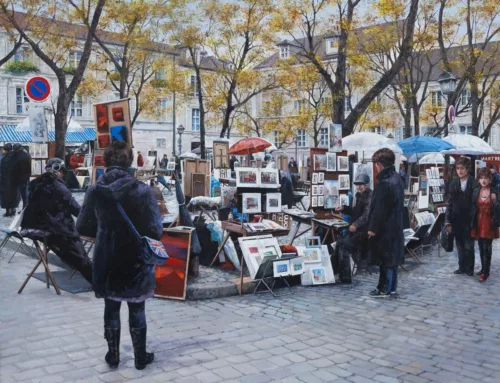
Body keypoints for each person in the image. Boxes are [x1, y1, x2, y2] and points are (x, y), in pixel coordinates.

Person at [77, 141, 163, 370]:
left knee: (111, 307)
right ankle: (140, 357)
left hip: (108, 259)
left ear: (106, 161)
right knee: (137, 308)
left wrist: (104, 229)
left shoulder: (95, 190)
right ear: (130, 161)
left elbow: (83, 227)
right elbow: (156, 230)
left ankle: (113, 355)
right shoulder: (143, 190)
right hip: (136, 260)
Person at [20, 158, 92, 282]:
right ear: (58, 171)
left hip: (32, 228)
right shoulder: (58, 186)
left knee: (69, 247)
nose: (63, 175)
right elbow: (75, 209)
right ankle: (94, 278)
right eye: (62, 172)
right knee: (77, 251)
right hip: (52, 230)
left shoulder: (35, 184)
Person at [367, 148, 404, 297]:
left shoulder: (385, 183)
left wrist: (372, 229)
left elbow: (379, 210)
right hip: (395, 226)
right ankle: (391, 287)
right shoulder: (397, 178)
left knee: (385, 260)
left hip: (385, 228)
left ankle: (385, 288)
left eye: (376, 164)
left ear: (380, 164)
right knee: (392, 260)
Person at [334, 173, 372, 281]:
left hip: (364, 232)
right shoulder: (359, 196)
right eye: (357, 185)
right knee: (339, 243)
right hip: (356, 230)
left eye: (361, 185)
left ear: (366, 185)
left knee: (343, 245)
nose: (359, 187)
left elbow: (366, 216)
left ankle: (345, 276)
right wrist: (344, 208)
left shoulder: (370, 197)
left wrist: (355, 224)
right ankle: (336, 271)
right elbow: (355, 211)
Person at [445, 156, 477, 276]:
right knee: (459, 245)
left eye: (462, 168)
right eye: (458, 168)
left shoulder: (473, 183)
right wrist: (448, 221)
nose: (459, 171)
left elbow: (475, 204)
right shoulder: (453, 183)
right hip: (456, 219)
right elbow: (450, 204)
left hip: (469, 219)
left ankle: (469, 268)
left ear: (467, 169)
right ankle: (461, 266)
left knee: (469, 246)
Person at [470, 168, 499, 282]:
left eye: (486, 178)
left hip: (489, 223)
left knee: (487, 248)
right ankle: (483, 268)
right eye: (481, 178)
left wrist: (495, 201)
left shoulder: (494, 191)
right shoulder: (476, 191)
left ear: (490, 179)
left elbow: (498, 209)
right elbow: (473, 207)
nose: (483, 180)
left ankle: (486, 272)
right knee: (481, 247)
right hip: (478, 222)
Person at [1, 143, 20, 217]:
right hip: (15, 180)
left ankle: (8, 211)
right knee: (14, 195)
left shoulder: (4, 159)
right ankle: (13, 210)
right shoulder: (16, 157)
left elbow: (3, 171)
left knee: (6, 196)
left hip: (6, 180)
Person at [13, 143, 31, 210]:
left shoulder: (21, 156)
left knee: (24, 193)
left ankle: (25, 207)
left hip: (22, 177)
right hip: (25, 176)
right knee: (24, 192)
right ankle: (25, 206)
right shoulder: (25, 153)